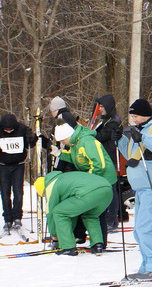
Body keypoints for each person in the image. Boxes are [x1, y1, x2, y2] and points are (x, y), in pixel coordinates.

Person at [118, 98, 152, 279]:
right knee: (139, 229)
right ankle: (147, 264)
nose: (133, 119)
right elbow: (130, 154)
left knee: (146, 227)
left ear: (144, 115)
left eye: (136, 116)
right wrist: (119, 139)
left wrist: (144, 137)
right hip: (141, 186)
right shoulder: (141, 129)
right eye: (132, 116)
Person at [54, 121, 117, 249]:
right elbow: (75, 159)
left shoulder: (87, 141)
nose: (62, 144)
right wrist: (59, 154)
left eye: (62, 141)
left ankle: (101, 242)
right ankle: (92, 240)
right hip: (93, 181)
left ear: (67, 137)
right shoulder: (75, 144)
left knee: (98, 212)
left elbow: (99, 164)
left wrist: (88, 180)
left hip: (104, 180)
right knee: (89, 211)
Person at [33, 171, 113, 255]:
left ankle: (68, 247)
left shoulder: (50, 186)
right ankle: (97, 245)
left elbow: (50, 213)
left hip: (89, 193)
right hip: (107, 189)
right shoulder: (62, 178)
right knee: (91, 216)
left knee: (59, 212)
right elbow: (72, 213)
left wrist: (54, 237)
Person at [91, 95, 123, 232]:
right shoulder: (105, 121)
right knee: (107, 189)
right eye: (100, 107)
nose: (101, 110)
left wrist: (89, 134)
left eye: (103, 107)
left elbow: (99, 137)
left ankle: (112, 220)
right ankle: (108, 218)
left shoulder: (112, 122)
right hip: (103, 158)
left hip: (109, 159)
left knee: (111, 189)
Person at [0, 114, 36, 235]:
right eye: (6, 129)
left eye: (10, 129)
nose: (8, 131)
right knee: (5, 193)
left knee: (18, 192)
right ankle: (7, 219)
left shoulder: (22, 128)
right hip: (3, 165)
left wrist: (31, 138)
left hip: (18, 165)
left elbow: (31, 144)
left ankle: (17, 217)